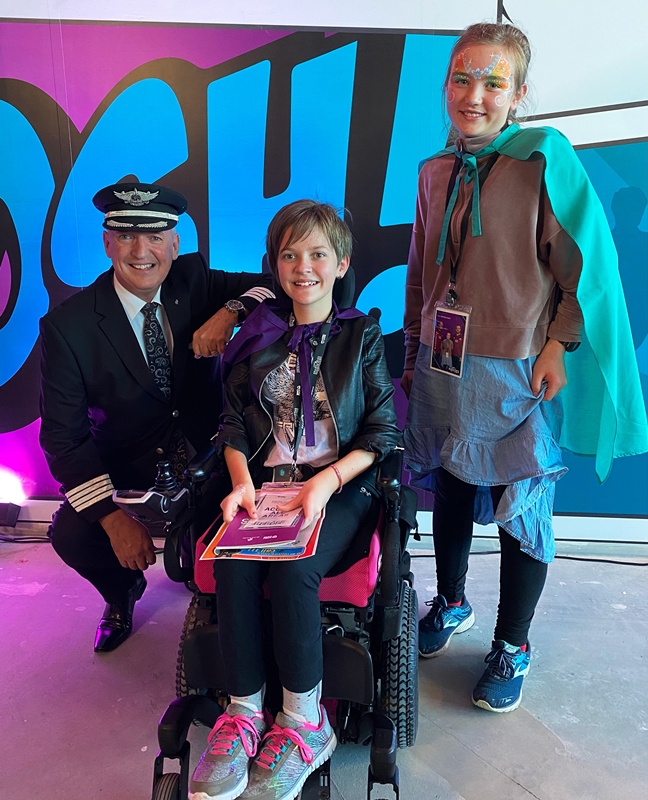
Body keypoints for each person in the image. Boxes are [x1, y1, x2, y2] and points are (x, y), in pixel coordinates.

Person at [401, 22, 647, 713]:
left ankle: (513, 643)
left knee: (523, 503)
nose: (474, 95)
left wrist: (559, 344)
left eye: (493, 82)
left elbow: (583, 270)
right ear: (445, 86)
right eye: (461, 79)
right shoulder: (433, 171)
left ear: (519, 94)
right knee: (451, 484)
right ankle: (452, 602)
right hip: (442, 359)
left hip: (514, 369)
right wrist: (414, 348)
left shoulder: (544, 160)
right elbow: (420, 272)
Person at [189, 200, 400, 800]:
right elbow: (233, 426)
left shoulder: (361, 335)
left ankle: (306, 720)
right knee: (232, 563)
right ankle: (243, 711)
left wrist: (325, 482)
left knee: (293, 569)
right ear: (275, 264)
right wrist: (241, 485)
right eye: (290, 255)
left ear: (341, 263)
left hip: (339, 486)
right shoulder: (257, 338)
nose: (303, 266)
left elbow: (383, 432)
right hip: (267, 487)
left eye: (317, 254)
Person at [39, 182, 274, 653]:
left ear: (174, 244)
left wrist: (231, 311)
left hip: (209, 456)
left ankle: (209, 586)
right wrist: (111, 518)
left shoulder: (194, 279)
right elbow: (63, 439)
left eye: (154, 237)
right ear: (107, 243)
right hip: (129, 466)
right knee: (71, 533)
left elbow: (274, 285)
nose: (141, 251)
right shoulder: (68, 327)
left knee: (244, 531)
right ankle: (122, 591)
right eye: (126, 236)